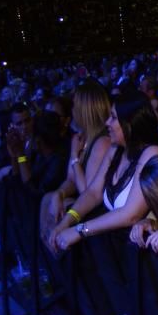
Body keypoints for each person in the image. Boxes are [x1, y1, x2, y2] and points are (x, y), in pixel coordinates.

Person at [50, 93, 158, 252]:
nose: (107, 123)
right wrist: (67, 221)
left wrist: (80, 230)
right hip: (115, 245)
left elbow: (130, 215)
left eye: (112, 117)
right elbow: (93, 193)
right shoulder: (116, 149)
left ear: (129, 122)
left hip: (140, 252)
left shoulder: (152, 153)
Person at [40, 80, 113, 238]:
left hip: (98, 214)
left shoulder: (102, 142)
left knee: (60, 209)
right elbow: (71, 180)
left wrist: (74, 157)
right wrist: (59, 193)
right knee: (50, 199)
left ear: (85, 110)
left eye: (74, 106)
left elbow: (87, 192)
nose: (72, 111)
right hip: (85, 205)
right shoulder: (81, 138)